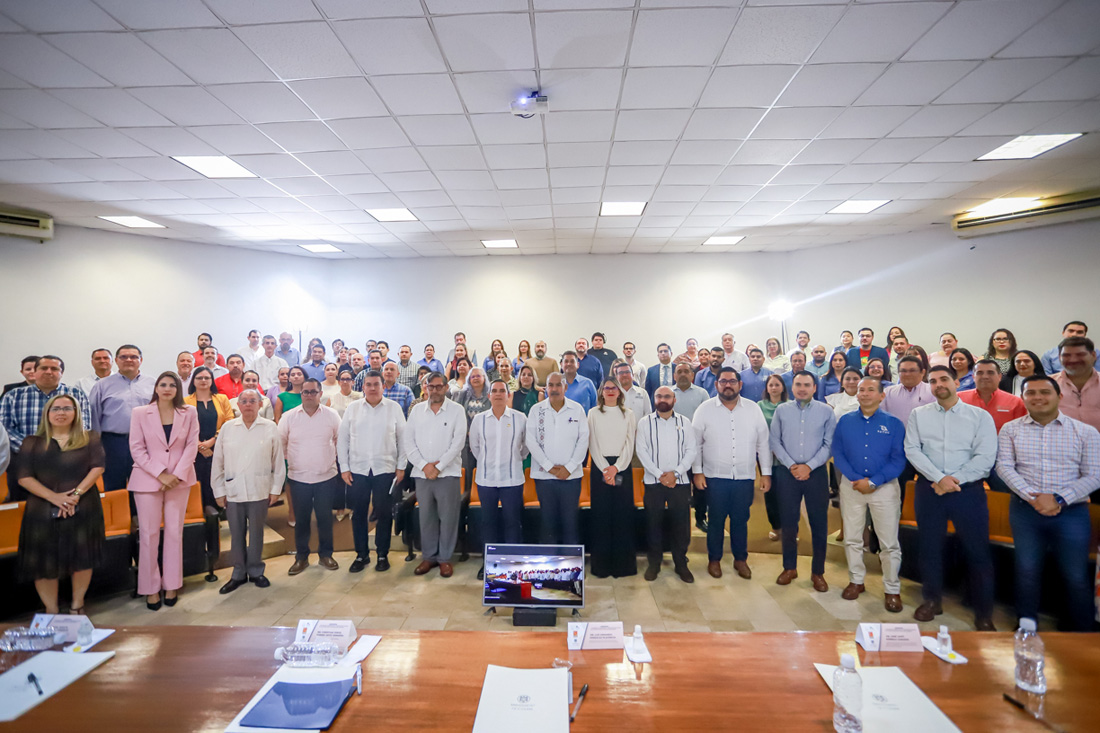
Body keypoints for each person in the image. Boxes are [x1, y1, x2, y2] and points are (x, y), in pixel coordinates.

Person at [996, 375, 1100, 631]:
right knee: (1026, 570)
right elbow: (1004, 467)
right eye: (1030, 393)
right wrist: (1032, 497)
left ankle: (1081, 631)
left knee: (1075, 574)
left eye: (1045, 392)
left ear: (1059, 396)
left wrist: (1058, 498)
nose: (1038, 397)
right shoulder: (1010, 429)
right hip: (1025, 510)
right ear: (1023, 398)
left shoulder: (1086, 432)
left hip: (1072, 512)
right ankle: (1027, 625)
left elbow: (1095, 475)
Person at [904, 365, 998, 630]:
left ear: (957, 383)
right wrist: (938, 478)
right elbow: (912, 449)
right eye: (933, 381)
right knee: (929, 548)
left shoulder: (979, 416)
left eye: (944, 379)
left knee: (977, 551)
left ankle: (983, 611)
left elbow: (985, 457)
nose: (938, 385)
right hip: (930, 489)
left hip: (968, 491)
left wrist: (953, 481)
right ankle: (932, 600)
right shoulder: (918, 415)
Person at [16, 394, 105, 615]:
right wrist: (55, 498)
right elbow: (24, 477)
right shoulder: (31, 442)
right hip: (42, 508)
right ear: (47, 413)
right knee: (43, 561)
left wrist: (75, 495)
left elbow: (98, 467)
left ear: (76, 413)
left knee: (83, 557)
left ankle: (77, 605)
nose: (61, 413)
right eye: (56, 409)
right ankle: (51, 610)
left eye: (67, 408)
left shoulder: (90, 438)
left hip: (83, 505)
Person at [833, 378, 906, 612]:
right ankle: (856, 580)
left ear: (882, 396)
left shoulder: (893, 423)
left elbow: (898, 459)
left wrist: (874, 481)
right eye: (861, 390)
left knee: (889, 542)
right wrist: (856, 479)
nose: (864, 393)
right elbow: (838, 453)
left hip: (884, 487)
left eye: (870, 390)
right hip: (852, 486)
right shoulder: (845, 421)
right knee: (852, 537)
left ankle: (892, 589)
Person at [692, 368, 772, 580]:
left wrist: (766, 473)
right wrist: (697, 472)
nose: (728, 385)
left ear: (740, 384)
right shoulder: (704, 409)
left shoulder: (753, 409)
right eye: (723, 381)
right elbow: (695, 444)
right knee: (716, 520)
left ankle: (740, 559)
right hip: (714, 477)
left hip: (744, 477)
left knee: (740, 520)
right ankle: (714, 560)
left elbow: (763, 444)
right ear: (716, 384)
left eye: (732, 381)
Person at [129, 372, 199, 611]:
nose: (167, 388)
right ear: (156, 388)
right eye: (163, 384)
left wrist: (176, 475)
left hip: (179, 479)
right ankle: (150, 588)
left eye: (172, 385)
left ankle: (172, 584)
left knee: (174, 532)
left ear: (178, 389)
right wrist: (161, 474)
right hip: (148, 479)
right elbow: (137, 448)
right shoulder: (140, 413)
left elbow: (192, 445)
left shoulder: (189, 412)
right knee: (148, 535)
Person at [211, 389, 284, 594]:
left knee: (257, 533)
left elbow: (278, 461)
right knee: (236, 534)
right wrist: (219, 490)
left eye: (253, 400)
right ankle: (238, 573)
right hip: (233, 489)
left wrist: (276, 489)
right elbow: (218, 461)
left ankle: (256, 570)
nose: (248, 404)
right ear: (238, 405)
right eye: (244, 401)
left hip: (260, 488)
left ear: (260, 404)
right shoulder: (228, 428)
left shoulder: (270, 427)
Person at [770, 371, 836, 592]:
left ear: (814, 388)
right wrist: (792, 465)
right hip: (787, 473)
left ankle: (818, 572)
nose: (802, 389)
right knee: (789, 523)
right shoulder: (782, 410)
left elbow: (829, 444)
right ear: (793, 387)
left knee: (819, 523)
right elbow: (774, 441)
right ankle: (789, 568)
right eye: (798, 384)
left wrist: (809, 466)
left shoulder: (826, 411)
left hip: (816, 473)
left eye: (807, 385)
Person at [338, 370, 406, 574]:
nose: (373, 388)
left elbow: (403, 439)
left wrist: (401, 466)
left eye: (376, 384)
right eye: (368, 384)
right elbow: (343, 439)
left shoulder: (393, 408)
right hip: (358, 469)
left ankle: (382, 554)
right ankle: (361, 554)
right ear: (363, 387)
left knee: (384, 513)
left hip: (385, 468)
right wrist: (344, 467)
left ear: (383, 386)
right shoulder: (353, 408)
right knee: (358, 513)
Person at [1, 356, 92, 501]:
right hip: (24, 460)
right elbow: (5, 428)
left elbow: (83, 426)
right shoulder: (13, 396)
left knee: (65, 503)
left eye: (54, 369)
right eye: (43, 368)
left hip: (66, 459)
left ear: (61, 373)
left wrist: (58, 447)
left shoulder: (76, 394)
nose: (49, 372)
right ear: (35, 371)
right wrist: (32, 448)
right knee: (24, 505)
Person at [404, 372, 467, 578]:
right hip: (422, 474)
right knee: (426, 517)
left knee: (448, 518)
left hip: (447, 473)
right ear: (425, 388)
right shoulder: (416, 411)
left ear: (446, 387)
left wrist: (438, 467)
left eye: (439, 386)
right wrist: (424, 466)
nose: (435, 390)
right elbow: (408, 442)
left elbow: (458, 443)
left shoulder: (457, 410)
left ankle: (444, 558)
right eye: (431, 387)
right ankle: (429, 556)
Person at [636, 386, 698, 584]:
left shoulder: (685, 422)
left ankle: (681, 563)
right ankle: (654, 563)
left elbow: (691, 450)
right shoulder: (644, 423)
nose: (663, 399)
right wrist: (659, 475)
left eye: (667, 396)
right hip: (653, 482)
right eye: (659, 396)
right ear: (654, 399)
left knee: (681, 525)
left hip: (679, 482)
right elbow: (641, 451)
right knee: (653, 523)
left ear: (674, 400)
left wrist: (676, 473)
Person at [280, 378, 341, 575]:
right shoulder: (289, 417)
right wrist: (294, 459)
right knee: (302, 520)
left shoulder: (331, 415)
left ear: (320, 394)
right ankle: (301, 557)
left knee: (325, 518)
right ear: (301, 394)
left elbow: (340, 440)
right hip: (298, 478)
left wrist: (330, 458)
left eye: (313, 392)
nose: (309, 395)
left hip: (326, 477)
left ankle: (326, 555)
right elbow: (281, 443)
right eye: (305, 392)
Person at [470, 379, 528, 578]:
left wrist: (514, 459)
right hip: (486, 480)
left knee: (512, 522)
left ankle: (513, 565)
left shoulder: (520, 418)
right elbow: (475, 448)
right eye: (494, 391)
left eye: (502, 391)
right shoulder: (479, 420)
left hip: (512, 479)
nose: (498, 394)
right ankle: (489, 564)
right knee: (488, 523)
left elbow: (525, 448)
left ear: (508, 395)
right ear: (489, 395)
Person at [526, 373, 589, 544]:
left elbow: (583, 440)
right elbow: (530, 441)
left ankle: (571, 560)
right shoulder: (536, 410)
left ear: (565, 387)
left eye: (558, 385)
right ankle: (550, 560)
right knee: (548, 523)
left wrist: (569, 467)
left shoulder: (577, 409)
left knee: (570, 523)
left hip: (571, 477)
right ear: (546, 388)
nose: (554, 389)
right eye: (551, 385)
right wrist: (549, 467)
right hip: (544, 477)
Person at [185, 366, 233, 582]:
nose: (203, 380)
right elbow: (182, 426)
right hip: (193, 452)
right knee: (198, 484)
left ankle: (215, 519)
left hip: (217, 449)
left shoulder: (221, 399)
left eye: (207, 377)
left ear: (212, 380)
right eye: (199, 377)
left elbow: (228, 422)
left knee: (215, 484)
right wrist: (198, 445)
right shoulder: (185, 401)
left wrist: (212, 441)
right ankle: (201, 518)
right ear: (193, 380)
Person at [587, 378, 637, 579]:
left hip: (622, 466)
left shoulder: (628, 414)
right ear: (601, 392)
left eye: (613, 388)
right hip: (599, 466)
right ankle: (601, 567)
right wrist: (605, 469)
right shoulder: (593, 413)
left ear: (619, 392)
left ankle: (622, 567)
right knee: (601, 516)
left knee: (622, 516)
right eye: (606, 388)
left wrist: (616, 467)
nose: (610, 391)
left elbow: (630, 443)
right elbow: (592, 443)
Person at [883, 355, 935, 496]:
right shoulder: (888, 393)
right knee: (900, 488)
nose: (907, 374)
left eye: (912, 370)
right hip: (899, 450)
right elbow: (882, 420)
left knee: (928, 488)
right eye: (903, 371)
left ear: (923, 372)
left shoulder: (932, 391)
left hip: (926, 450)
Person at [958, 359, 1027, 434]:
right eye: (980, 373)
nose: (985, 376)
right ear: (973, 377)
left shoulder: (1016, 402)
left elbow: (1021, 431)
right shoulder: (958, 399)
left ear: (999, 377)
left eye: (990, 373)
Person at [758, 374, 788, 542]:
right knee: (770, 493)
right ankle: (775, 527)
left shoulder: (790, 406)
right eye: (771, 385)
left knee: (788, 494)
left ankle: (791, 527)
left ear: (783, 387)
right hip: (766, 456)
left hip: (786, 457)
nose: (774, 388)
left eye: (777, 384)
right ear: (767, 388)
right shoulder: (759, 406)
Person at [1053, 336, 1100, 436]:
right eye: (1066, 355)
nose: (1073, 360)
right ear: (1059, 357)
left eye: (1080, 354)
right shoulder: (1048, 384)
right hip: (1060, 442)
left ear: (1093, 355)